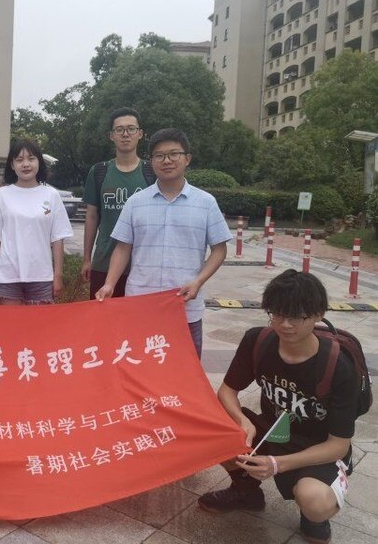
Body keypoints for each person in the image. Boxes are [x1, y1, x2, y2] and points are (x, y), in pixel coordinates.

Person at [197, 270, 356, 544]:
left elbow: (338, 445)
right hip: (274, 432)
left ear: (318, 315)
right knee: (210, 419)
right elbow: (227, 391)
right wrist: (242, 421)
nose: (285, 325)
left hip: (317, 448)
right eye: (277, 314)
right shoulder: (258, 340)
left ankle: (313, 518)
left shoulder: (338, 366)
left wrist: (277, 465)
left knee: (314, 499)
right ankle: (246, 491)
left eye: (297, 317)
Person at [95, 128, 230, 357]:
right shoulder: (135, 202)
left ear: (187, 158)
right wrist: (109, 284)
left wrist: (198, 281)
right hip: (140, 305)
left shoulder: (206, 202)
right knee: (138, 367)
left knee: (185, 369)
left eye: (174, 154)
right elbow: (123, 247)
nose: (167, 161)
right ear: (152, 162)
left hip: (184, 306)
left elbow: (219, 250)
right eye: (159, 155)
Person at [0, 140, 73, 304]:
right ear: (12, 165)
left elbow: (58, 239)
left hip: (42, 276)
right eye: (19, 160)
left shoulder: (51, 195)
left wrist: (58, 275)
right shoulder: (1, 195)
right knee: (10, 321)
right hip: (7, 276)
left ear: (39, 162)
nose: (25, 164)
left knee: (40, 322)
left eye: (31, 158)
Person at [81, 108, 154, 299]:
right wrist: (87, 258)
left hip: (141, 265)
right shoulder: (99, 172)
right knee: (101, 317)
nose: (125, 134)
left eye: (131, 129)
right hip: (104, 263)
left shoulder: (152, 172)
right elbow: (92, 216)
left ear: (140, 134)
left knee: (137, 318)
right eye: (119, 130)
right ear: (111, 135)